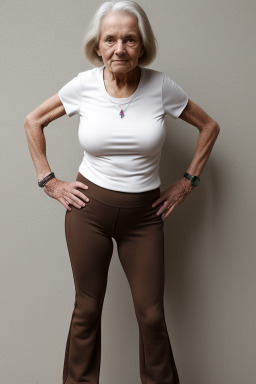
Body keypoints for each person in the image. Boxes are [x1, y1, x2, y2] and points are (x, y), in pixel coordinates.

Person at [24, 1, 220, 383]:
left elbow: (209, 127)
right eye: (110, 39)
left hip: (144, 218)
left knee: (151, 315)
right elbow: (33, 121)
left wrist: (187, 182)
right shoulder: (83, 85)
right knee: (86, 309)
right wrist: (49, 180)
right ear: (97, 46)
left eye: (129, 40)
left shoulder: (161, 86)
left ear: (142, 46)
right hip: (88, 212)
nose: (119, 48)